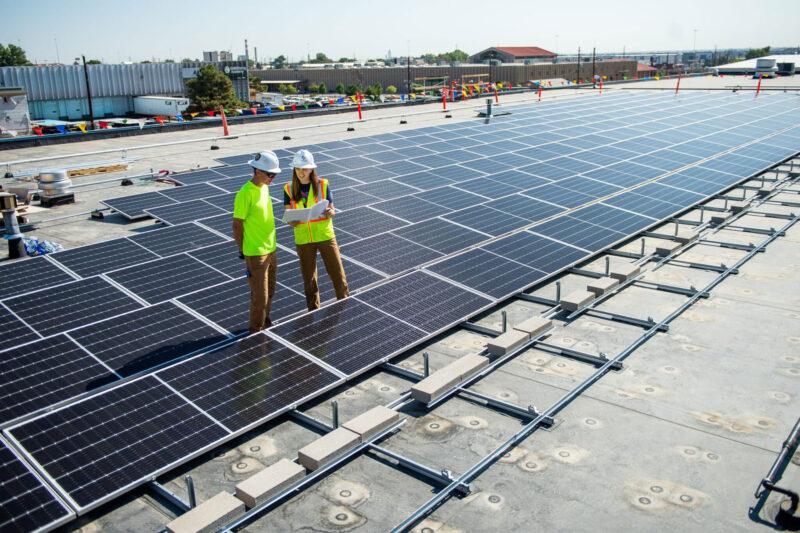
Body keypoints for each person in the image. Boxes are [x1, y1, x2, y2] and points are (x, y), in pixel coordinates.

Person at [284, 149, 348, 310]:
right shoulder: (288, 189)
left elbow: (332, 210)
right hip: (303, 239)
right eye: (298, 169)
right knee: (309, 280)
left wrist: (329, 212)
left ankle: (344, 304)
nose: (301, 172)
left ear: (312, 169)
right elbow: (288, 214)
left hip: (325, 236)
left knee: (337, 274)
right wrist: (292, 221)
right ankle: (312, 311)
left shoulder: (323, 184)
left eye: (304, 168)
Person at [233, 150, 280, 333]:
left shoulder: (264, 188)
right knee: (260, 297)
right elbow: (237, 225)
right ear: (257, 171)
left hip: (271, 249)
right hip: (256, 253)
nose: (273, 178)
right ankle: (256, 333)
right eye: (270, 174)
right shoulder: (245, 193)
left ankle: (266, 324)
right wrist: (243, 249)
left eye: (274, 175)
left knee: (270, 293)